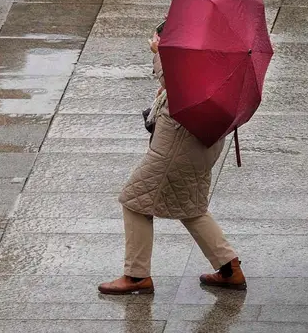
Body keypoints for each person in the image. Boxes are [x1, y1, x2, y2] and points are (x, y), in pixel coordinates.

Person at [97, 29, 246, 295]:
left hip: (180, 144)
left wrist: (160, 52)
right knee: (190, 206)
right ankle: (229, 268)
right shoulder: (224, 51)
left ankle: (136, 276)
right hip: (200, 142)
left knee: (134, 201)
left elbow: (180, 84)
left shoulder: (199, 51)